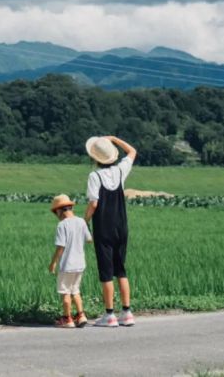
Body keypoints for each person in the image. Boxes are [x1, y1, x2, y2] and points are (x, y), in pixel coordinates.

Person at [83, 134, 137, 327]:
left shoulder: (94, 176)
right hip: (121, 227)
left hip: (103, 228)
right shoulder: (121, 171)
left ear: (95, 158)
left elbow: (94, 204)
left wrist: (84, 221)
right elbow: (132, 151)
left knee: (106, 272)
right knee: (120, 269)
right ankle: (127, 312)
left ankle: (109, 314)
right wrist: (114, 139)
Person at [48, 193, 93, 328]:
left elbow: (60, 247)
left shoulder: (62, 225)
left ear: (59, 210)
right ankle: (81, 315)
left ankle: (67, 319)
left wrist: (53, 263)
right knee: (76, 291)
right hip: (80, 265)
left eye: (56, 212)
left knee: (65, 292)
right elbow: (89, 240)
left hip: (67, 265)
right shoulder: (81, 221)